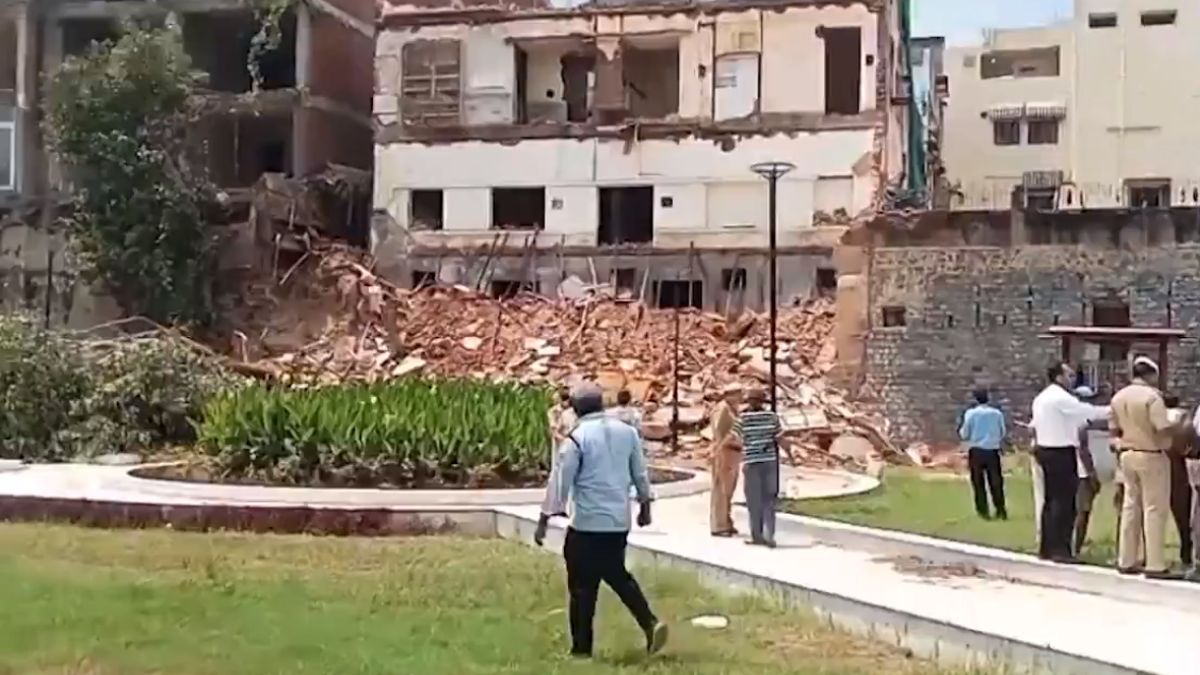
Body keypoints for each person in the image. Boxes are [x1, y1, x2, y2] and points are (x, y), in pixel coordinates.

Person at [533, 383, 669, 658]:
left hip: (587, 524)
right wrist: (645, 505)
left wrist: (545, 518)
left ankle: (582, 649)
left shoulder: (577, 439)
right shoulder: (627, 433)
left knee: (582, 587)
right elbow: (640, 474)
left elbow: (560, 482)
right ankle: (649, 623)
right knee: (615, 572)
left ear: (575, 408)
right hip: (618, 522)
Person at [1030, 362, 1108, 563]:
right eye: (1069, 375)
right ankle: (1060, 549)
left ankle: (1047, 547)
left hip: (1046, 449)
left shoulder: (1042, 398)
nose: (1072, 379)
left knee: (1050, 500)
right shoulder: (1060, 398)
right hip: (1060, 451)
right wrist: (1113, 409)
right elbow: (1087, 412)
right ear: (1059, 377)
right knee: (1064, 502)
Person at [1110, 357, 1175, 578]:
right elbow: (1162, 427)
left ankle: (1126, 558)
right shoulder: (1152, 397)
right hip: (1151, 453)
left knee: (1130, 507)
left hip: (1127, 454)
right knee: (1154, 509)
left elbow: (1113, 428)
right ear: (1151, 375)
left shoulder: (1119, 397)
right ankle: (1155, 563)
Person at [727, 387, 795, 548]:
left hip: (752, 463)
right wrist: (791, 456)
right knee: (769, 500)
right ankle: (769, 535)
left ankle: (756, 536)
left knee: (754, 501)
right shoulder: (772, 417)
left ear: (749, 401)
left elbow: (731, 439)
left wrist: (743, 447)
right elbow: (781, 439)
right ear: (763, 402)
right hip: (770, 462)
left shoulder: (743, 418)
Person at [959, 388, 1007, 520]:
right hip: (992, 450)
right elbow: (1002, 432)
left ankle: (983, 511)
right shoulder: (997, 414)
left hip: (977, 450)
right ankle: (1000, 509)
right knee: (996, 482)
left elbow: (964, 434)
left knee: (978, 482)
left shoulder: (971, 414)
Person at [1071, 386, 1103, 556]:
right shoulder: (1082, 424)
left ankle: (1073, 546)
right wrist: (1092, 474)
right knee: (1082, 512)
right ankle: (1075, 548)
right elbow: (1083, 451)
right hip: (1082, 473)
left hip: (1067, 470)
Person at [708, 383, 743, 537]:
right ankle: (718, 524)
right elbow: (720, 432)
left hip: (733, 452)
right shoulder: (722, 409)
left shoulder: (732, 409)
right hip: (724, 452)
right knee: (721, 489)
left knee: (729, 489)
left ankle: (726, 520)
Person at [1164, 394, 1194, 569]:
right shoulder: (1183, 418)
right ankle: (1186, 553)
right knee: (1183, 515)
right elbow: (1191, 447)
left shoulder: (1154, 418)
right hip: (1177, 470)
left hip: (1156, 465)